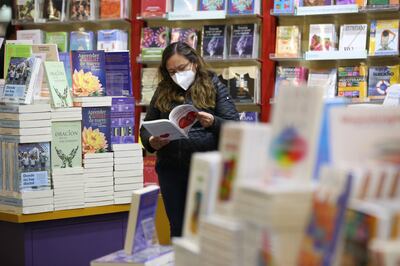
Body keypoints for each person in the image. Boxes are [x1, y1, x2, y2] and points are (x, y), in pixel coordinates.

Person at [140, 42, 239, 237]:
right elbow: (145, 127)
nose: (177, 75)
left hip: (206, 170)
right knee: (178, 229)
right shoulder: (163, 90)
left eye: (182, 68)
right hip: (171, 172)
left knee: (205, 230)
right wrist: (151, 141)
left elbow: (234, 126)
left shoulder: (213, 84)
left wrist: (213, 121)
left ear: (194, 62)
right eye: (171, 71)